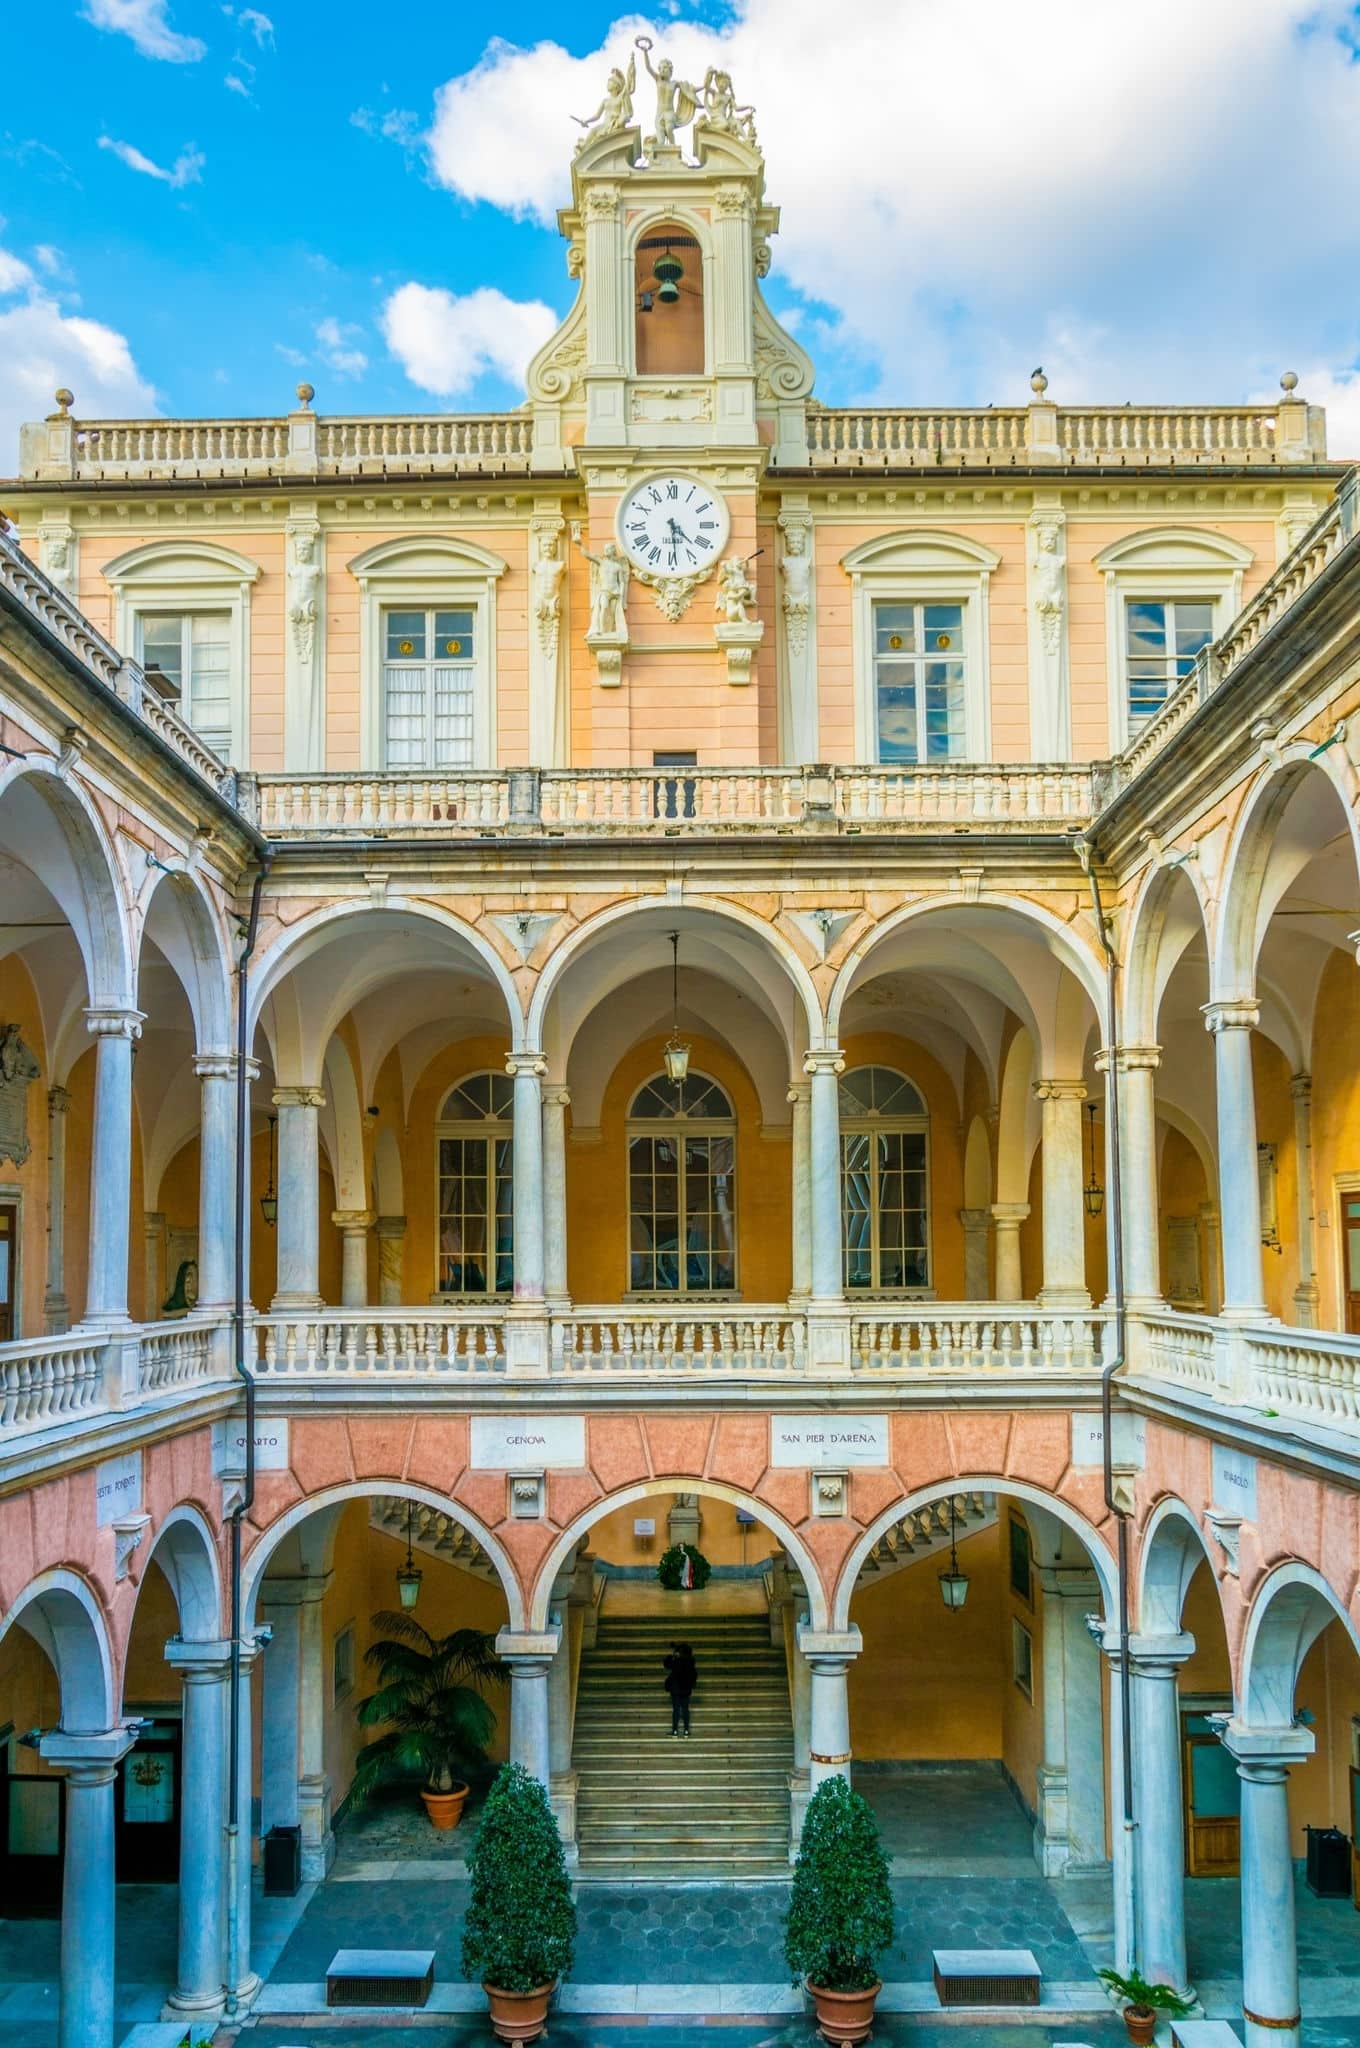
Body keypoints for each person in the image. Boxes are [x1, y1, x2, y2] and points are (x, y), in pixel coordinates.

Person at [663, 1640, 698, 1737]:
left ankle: (675, 1731)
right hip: (686, 1688)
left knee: (676, 1709)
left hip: (676, 1689)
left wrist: (673, 1656)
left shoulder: (676, 1660)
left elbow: (666, 1664)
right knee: (686, 1709)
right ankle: (686, 1730)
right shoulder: (691, 1661)